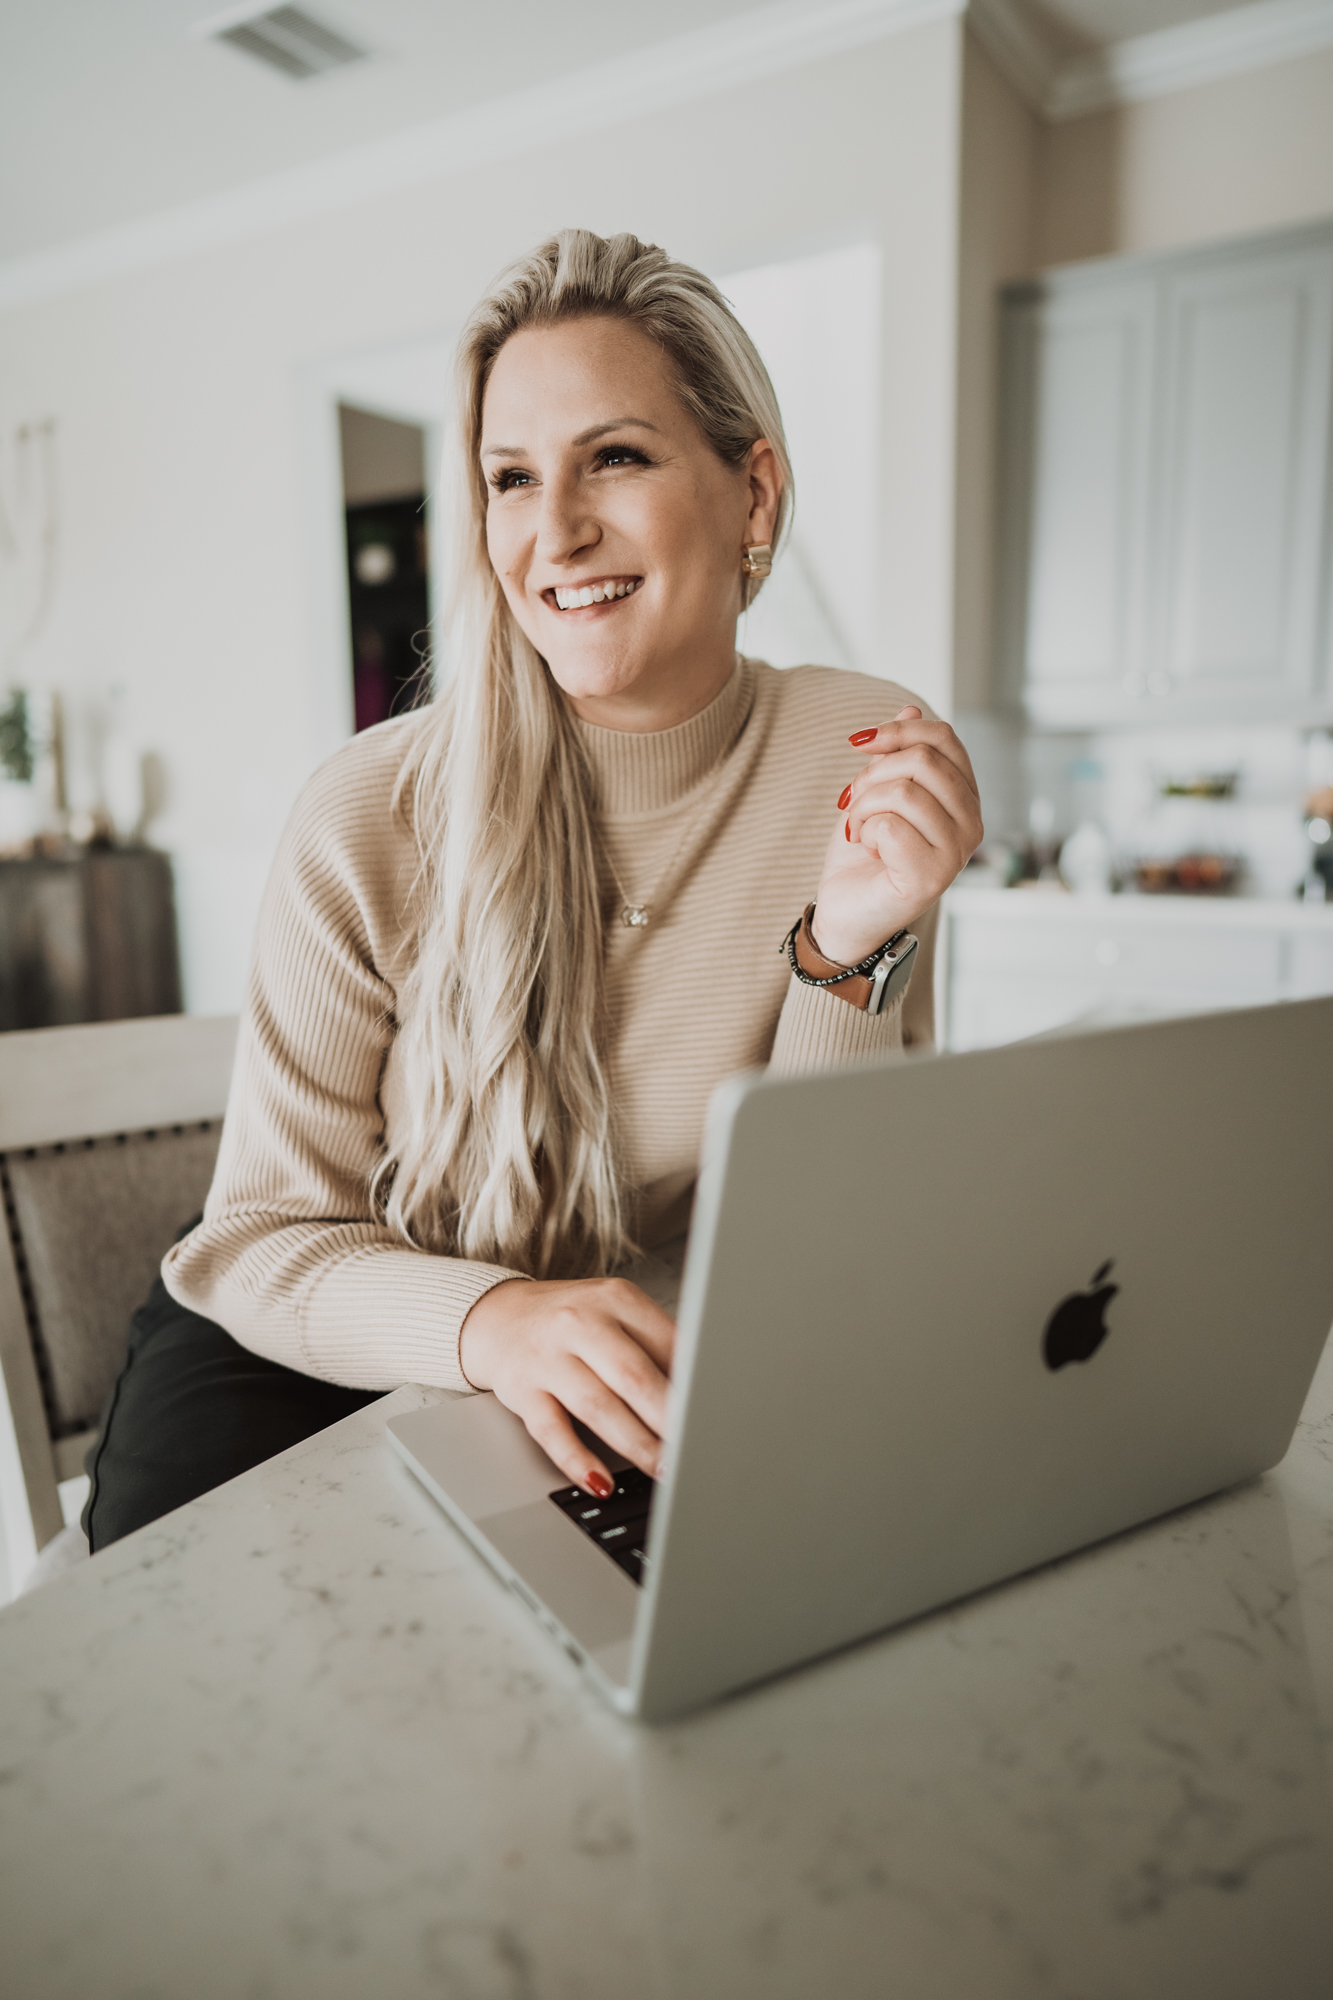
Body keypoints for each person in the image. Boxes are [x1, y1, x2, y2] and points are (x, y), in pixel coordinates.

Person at [84, 229, 983, 1549]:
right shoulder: (367, 810)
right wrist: (489, 1321)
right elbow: (263, 1239)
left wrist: (845, 950)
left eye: (613, 458)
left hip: (627, 1337)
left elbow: (818, 1237)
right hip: (320, 1317)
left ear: (753, 495)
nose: (553, 532)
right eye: (510, 477)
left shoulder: (861, 761)